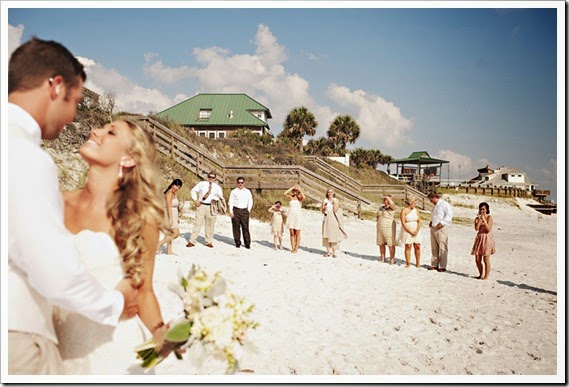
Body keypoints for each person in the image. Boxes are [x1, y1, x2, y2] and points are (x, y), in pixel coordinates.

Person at [7, 37, 138, 375]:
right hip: (17, 336)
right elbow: (55, 272)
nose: (75, 116)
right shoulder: (27, 157)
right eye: (76, 100)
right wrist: (116, 303)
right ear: (55, 86)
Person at [54, 119, 171, 374]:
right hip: (57, 352)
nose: (94, 131)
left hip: (116, 354)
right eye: (100, 127)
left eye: (111, 132)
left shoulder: (140, 217)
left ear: (129, 158)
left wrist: (162, 332)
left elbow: (144, 291)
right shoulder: (54, 202)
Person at [186, 171, 224, 248]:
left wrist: (214, 198)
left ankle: (208, 241)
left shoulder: (217, 188)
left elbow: (220, 198)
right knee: (197, 223)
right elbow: (193, 190)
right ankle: (192, 241)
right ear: (207, 177)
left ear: (215, 178)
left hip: (212, 206)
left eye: (213, 177)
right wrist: (195, 200)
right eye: (210, 177)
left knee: (210, 225)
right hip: (202, 205)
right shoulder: (202, 184)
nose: (211, 178)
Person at [427, 191, 453, 272]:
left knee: (442, 247)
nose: (430, 201)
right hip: (434, 227)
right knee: (434, 247)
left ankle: (442, 266)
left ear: (435, 197)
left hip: (441, 228)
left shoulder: (444, 204)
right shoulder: (435, 206)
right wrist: (431, 221)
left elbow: (449, 215)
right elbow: (436, 215)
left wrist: (442, 223)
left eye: (431, 199)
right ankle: (434, 265)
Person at [157, 179, 183, 255]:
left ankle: (169, 251)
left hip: (173, 215)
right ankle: (160, 243)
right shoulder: (169, 193)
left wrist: (177, 217)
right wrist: (171, 218)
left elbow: (175, 206)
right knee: (176, 234)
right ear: (172, 185)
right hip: (169, 215)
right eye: (176, 186)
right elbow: (168, 206)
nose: (176, 188)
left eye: (178, 187)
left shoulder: (173, 193)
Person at [471, 202, 496, 280]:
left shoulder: (489, 218)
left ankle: (486, 276)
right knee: (477, 259)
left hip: (487, 238)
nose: (482, 211)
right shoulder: (477, 218)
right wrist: (479, 220)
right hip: (479, 237)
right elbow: (476, 229)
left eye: (483, 209)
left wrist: (484, 221)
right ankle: (481, 274)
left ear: (487, 209)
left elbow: (488, 229)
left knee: (486, 259)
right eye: (481, 209)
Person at [228, 177, 253, 249]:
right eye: (239, 182)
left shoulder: (247, 191)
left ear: (244, 183)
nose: (240, 184)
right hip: (236, 210)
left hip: (244, 211)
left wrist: (248, 210)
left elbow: (250, 201)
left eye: (242, 183)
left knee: (245, 228)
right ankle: (237, 242)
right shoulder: (233, 191)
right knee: (236, 228)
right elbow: (231, 202)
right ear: (237, 183)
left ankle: (247, 243)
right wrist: (231, 211)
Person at [321, 188, 346, 258]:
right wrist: (324, 208)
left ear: (333, 193)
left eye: (331, 192)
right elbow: (322, 211)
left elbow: (335, 210)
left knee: (333, 235)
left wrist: (334, 203)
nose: (330, 194)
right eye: (329, 192)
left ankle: (334, 252)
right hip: (326, 218)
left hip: (333, 218)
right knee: (326, 234)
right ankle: (328, 252)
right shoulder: (324, 200)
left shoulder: (336, 200)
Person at [398, 196, 422, 268]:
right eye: (414, 203)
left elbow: (419, 221)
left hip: (416, 229)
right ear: (410, 203)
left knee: (417, 245)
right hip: (407, 229)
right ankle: (408, 263)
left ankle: (418, 263)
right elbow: (403, 223)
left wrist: (417, 230)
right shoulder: (404, 211)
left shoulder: (416, 210)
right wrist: (410, 231)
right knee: (408, 246)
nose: (415, 204)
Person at [376, 194, 398, 264]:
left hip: (389, 227)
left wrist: (388, 198)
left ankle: (392, 259)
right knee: (381, 243)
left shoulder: (392, 208)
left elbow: (392, 205)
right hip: (380, 227)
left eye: (386, 200)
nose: (385, 201)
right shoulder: (381, 208)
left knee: (390, 243)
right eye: (384, 200)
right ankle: (382, 258)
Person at [284, 184, 306, 254]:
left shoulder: (299, 198)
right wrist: (292, 187)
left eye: (296, 191)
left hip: (297, 216)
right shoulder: (290, 197)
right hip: (291, 215)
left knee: (297, 232)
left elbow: (304, 197)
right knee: (292, 232)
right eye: (294, 191)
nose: (295, 192)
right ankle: (292, 247)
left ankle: (296, 247)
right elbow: (285, 193)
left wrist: (300, 189)